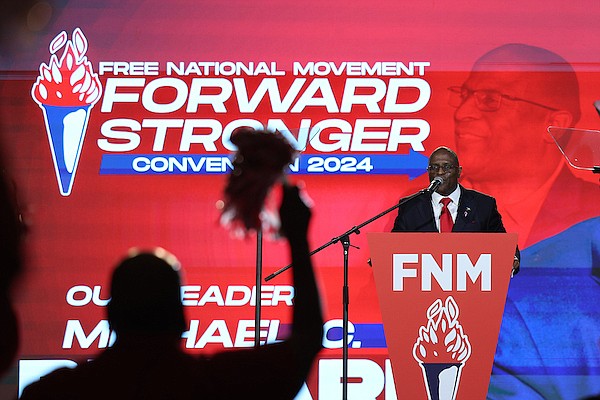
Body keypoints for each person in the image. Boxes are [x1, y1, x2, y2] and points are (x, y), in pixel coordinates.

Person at [20, 184, 323, 400]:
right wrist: (297, 236)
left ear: (110, 315)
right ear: (181, 317)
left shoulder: (54, 392)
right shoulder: (214, 385)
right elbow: (307, 340)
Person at [450, 43, 600, 399]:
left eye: (489, 99)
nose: (462, 113)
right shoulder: (409, 215)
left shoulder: (590, 210)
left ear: (556, 124)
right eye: (466, 94)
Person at [392, 146, 520, 275]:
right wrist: (384, 258)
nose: (440, 172)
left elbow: (503, 243)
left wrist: (511, 259)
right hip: (423, 284)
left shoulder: (483, 205)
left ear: (458, 172)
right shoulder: (411, 206)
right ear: (428, 172)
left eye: (447, 167)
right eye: (434, 168)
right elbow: (395, 245)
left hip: (470, 286)